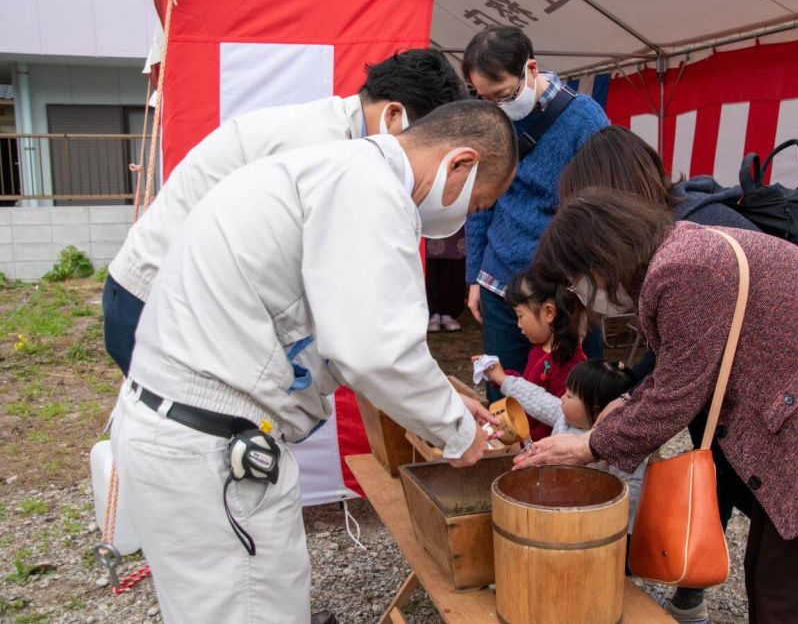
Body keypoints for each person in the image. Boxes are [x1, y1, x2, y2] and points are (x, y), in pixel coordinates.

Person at [111, 100, 517, 623]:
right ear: (460, 162)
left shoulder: (332, 169)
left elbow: (335, 326)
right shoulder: (370, 189)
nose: (465, 218)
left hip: (179, 434)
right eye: (477, 205)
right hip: (210, 450)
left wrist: (439, 385)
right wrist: (459, 433)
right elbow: (376, 351)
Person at [519, 189, 798, 624]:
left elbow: (678, 392)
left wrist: (590, 446)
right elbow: (685, 364)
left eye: (573, 281)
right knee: (783, 578)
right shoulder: (678, 251)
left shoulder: (683, 270)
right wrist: (626, 403)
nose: (578, 295)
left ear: (598, 258)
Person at [104, 48, 467, 376]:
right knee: (188, 433)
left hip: (187, 298)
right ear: (393, 116)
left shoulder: (341, 138)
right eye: (421, 143)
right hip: (155, 299)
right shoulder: (319, 145)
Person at [559, 125, 759, 622]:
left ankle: (696, 578)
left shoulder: (695, 235)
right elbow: (673, 345)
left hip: (764, 402)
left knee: (741, 501)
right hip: (730, 399)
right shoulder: (669, 238)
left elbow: (685, 366)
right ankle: (697, 575)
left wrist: (595, 443)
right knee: (714, 481)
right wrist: (633, 396)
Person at [461, 26, 609, 400]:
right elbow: (480, 202)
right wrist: (475, 277)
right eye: (485, 99)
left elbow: (603, 206)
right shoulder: (489, 121)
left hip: (566, 288)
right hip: (500, 284)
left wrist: (590, 286)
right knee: (505, 395)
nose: (497, 107)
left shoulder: (583, 118)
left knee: (578, 399)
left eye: (504, 95)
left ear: (530, 68)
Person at [485, 357, 644, 535]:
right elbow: (537, 398)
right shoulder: (563, 417)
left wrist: (606, 521)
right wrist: (503, 379)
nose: (561, 398)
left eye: (569, 396)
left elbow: (633, 491)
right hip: (552, 509)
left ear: (597, 409)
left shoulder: (618, 445)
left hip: (594, 527)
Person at [482, 271, 588, 440]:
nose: (518, 324)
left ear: (548, 312)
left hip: (544, 448)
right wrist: (501, 376)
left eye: (520, 315)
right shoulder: (539, 348)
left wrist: (528, 441)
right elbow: (531, 386)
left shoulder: (568, 362)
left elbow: (560, 416)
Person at [426, 228, 466, 333]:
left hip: (455, 218)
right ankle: (431, 313)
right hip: (427, 218)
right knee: (428, 264)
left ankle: (448, 313)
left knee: (453, 260)